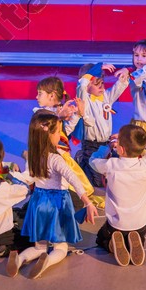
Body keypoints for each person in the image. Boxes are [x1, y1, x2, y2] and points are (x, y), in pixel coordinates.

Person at [7, 110, 98, 279]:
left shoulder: (33, 156)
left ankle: (19, 259)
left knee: (39, 246)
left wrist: (12, 174)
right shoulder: (56, 159)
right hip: (57, 203)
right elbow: (73, 178)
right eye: (58, 132)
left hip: (39, 202)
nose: (60, 136)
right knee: (61, 247)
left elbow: (28, 178)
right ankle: (47, 261)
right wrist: (87, 202)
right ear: (49, 135)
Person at [90, 124, 146, 266]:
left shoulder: (111, 165)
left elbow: (93, 161)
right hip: (140, 223)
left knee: (100, 238)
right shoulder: (145, 166)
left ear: (121, 149)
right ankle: (136, 240)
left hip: (117, 224)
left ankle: (111, 244)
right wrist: (140, 140)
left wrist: (107, 148)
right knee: (138, 233)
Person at [35, 76, 103, 209]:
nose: (36, 97)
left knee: (67, 184)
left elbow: (66, 131)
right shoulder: (39, 114)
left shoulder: (62, 110)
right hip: (46, 155)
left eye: (40, 93)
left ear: (52, 95)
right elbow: (43, 128)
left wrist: (78, 114)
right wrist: (59, 117)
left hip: (61, 155)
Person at [76, 62, 129, 186]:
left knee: (117, 170)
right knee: (98, 182)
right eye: (96, 84)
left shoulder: (105, 97)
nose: (101, 87)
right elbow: (81, 84)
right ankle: (81, 160)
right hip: (91, 145)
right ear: (87, 85)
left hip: (105, 144)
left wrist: (125, 73)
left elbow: (119, 87)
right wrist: (97, 68)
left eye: (102, 83)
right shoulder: (84, 99)